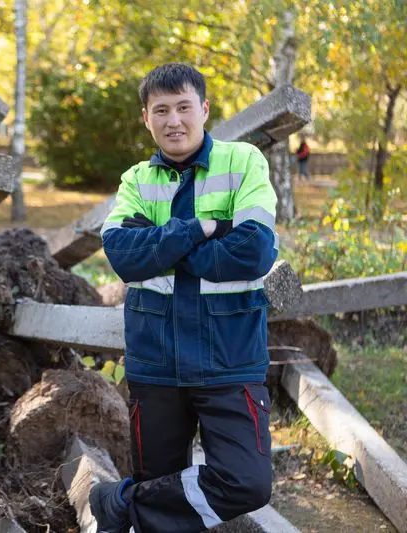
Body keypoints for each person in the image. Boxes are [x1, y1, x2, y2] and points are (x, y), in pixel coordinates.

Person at [91, 63, 278, 532]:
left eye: (183, 107)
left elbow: (254, 250)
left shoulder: (243, 163)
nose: (173, 120)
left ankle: (120, 500)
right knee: (162, 483)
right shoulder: (136, 179)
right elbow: (123, 256)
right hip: (156, 362)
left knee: (247, 483)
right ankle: (138, 502)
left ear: (204, 109)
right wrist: (204, 229)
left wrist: (163, 246)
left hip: (229, 358)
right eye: (161, 111)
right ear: (146, 118)